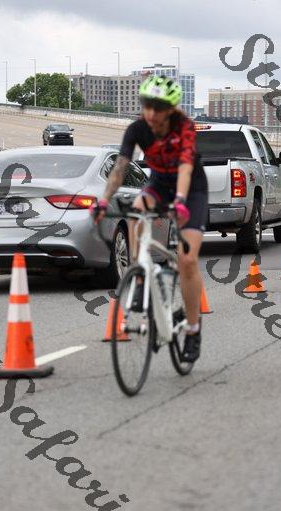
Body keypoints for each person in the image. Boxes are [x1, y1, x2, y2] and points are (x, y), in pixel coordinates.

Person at [92, 74, 208, 363]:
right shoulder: (137, 129)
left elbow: (185, 167)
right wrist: (104, 200)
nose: (151, 114)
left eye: (158, 108)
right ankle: (139, 270)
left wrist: (179, 200)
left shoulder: (184, 127)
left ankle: (193, 329)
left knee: (187, 260)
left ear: (171, 109)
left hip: (190, 190)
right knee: (136, 207)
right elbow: (120, 167)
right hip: (158, 186)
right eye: (147, 106)